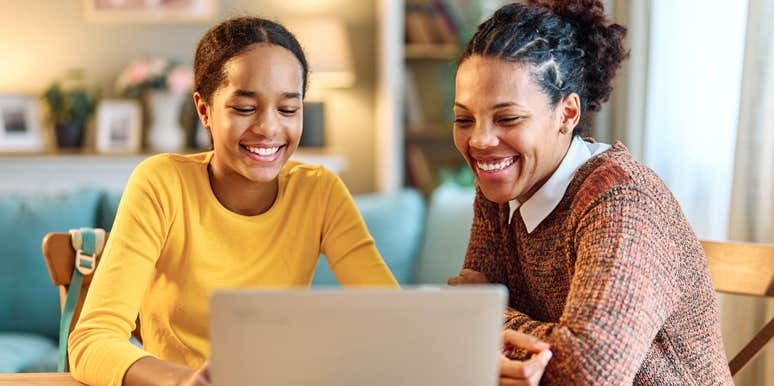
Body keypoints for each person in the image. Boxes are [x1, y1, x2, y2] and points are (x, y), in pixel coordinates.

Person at [68, 17, 400, 386]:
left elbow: (391, 318)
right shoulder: (162, 184)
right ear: (204, 110)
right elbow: (92, 341)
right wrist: (187, 382)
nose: (269, 128)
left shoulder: (319, 192)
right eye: (244, 108)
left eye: (288, 109)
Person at [447, 1, 733, 385]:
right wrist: (483, 319)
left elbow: (588, 372)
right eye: (464, 119)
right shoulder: (500, 187)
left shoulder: (622, 201)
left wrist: (492, 314)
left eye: (508, 118)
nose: (480, 141)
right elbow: (467, 329)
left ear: (567, 113)